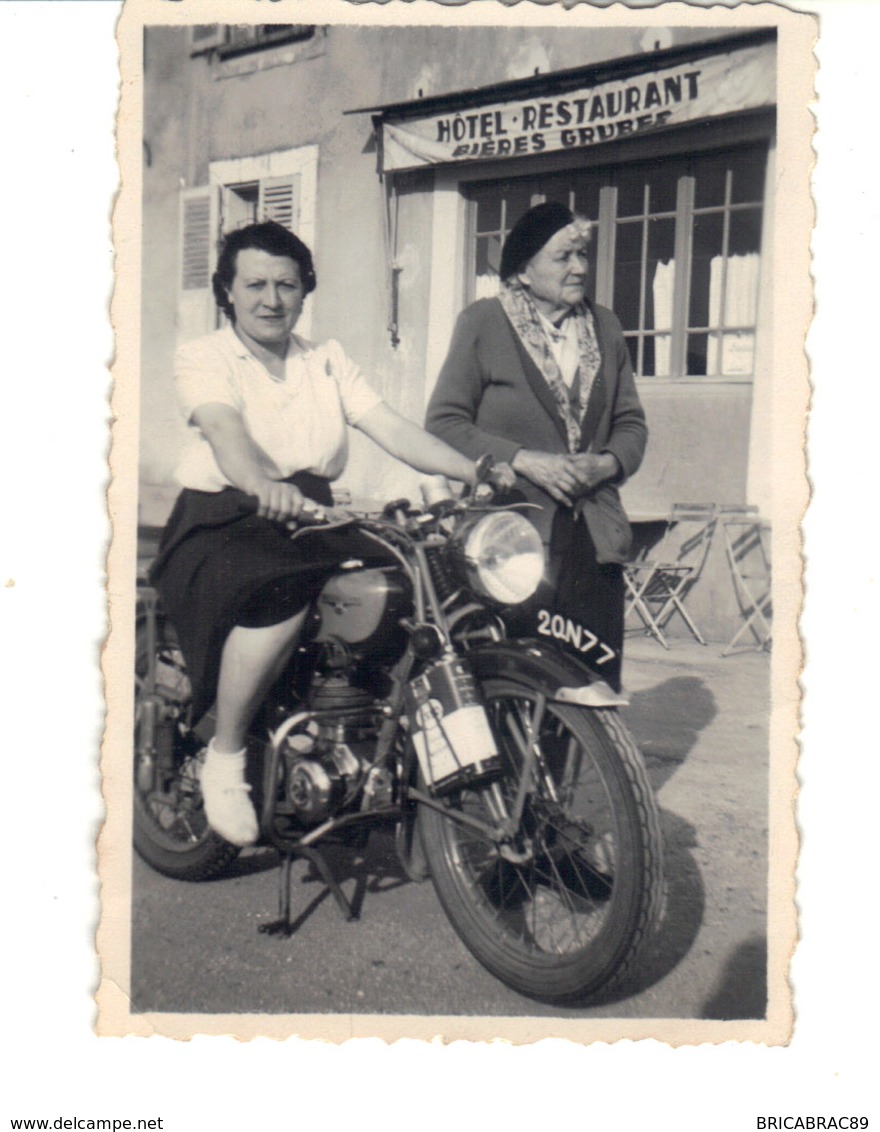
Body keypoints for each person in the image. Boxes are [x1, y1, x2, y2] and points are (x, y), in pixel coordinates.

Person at [150, 221, 511, 848]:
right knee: (283, 592)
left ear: (304, 291)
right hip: (227, 515)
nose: (271, 299)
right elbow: (226, 435)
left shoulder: (326, 359)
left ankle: (370, 737)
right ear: (227, 292)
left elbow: (395, 429)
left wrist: (473, 468)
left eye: (286, 285)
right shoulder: (205, 357)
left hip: (314, 514)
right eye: (255, 284)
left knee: (419, 577)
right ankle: (228, 756)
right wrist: (265, 483)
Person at [425, 201, 647, 691]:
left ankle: (585, 770)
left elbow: (631, 424)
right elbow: (443, 422)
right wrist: (524, 460)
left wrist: (606, 463)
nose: (580, 268)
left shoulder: (605, 327)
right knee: (515, 679)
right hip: (512, 539)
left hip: (594, 538)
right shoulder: (484, 322)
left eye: (583, 255)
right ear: (523, 270)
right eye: (563, 257)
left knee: (593, 681)